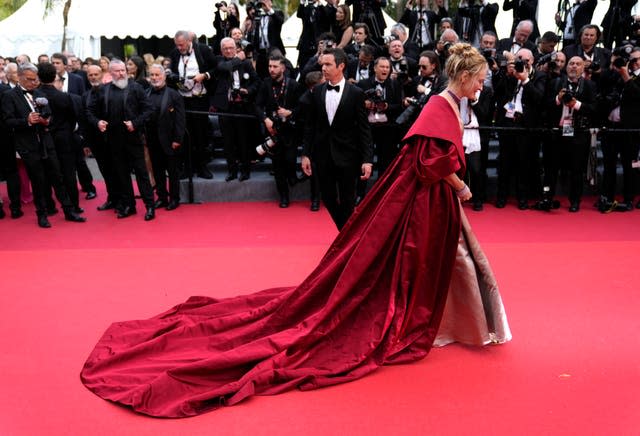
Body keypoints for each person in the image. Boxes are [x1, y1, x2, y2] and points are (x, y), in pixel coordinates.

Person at [80, 43, 510, 419]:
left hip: (427, 203)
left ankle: (445, 323)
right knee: (410, 263)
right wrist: (460, 183)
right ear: (467, 75)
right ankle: (432, 322)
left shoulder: (450, 105)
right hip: (422, 203)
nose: (483, 86)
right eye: (481, 80)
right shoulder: (440, 106)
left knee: (431, 261)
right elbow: (428, 162)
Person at [0, 63, 86, 228]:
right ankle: (42, 215)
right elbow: (7, 121)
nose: (34, 83)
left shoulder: (39, 92)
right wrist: (26, 121)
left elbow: (49, 114)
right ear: (20, 77)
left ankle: (69, 211)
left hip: (47, 142)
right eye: (30, 80)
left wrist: (46, 120)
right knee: (38, 182)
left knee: (58, 177)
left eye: (35, 80)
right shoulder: (10, 96)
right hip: (28, 145)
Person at [301, 47, 374, 230]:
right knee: (328, 198)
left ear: (340, 66)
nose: (323, 68)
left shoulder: (356, 93)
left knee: (348, 201)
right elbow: (310, 125)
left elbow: (364, 129)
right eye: (322, 64)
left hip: (349, 155)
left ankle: (344, 240)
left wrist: (367, 159)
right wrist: (306, 154)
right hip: (323, 155)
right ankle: (346, 233)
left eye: (328, 64)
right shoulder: (316, 92)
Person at [86, 59, 156, 221]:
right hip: (113, 140)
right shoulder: (103, 90)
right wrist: (98, 122)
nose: (121, 73)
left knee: (141, 174)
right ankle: (129, 205)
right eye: (117, 71)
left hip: (134, 139)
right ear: (110, 73)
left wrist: (135, 123)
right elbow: (89, 110)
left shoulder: (136, 88)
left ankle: (150, 206)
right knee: (122, 175)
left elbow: (149, 109)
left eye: (123, 70)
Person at [145, 64, 185, 211]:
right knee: (157, 171)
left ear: (164, 76)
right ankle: (162, 197)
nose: (154, 78)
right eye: (152, 75)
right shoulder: (146, 93)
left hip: (170, 140)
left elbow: (180, 120)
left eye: (157, 75)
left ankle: (175, 199)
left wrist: (177, 139)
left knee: (173, 172)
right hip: (152, 140)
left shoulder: (174, 94)